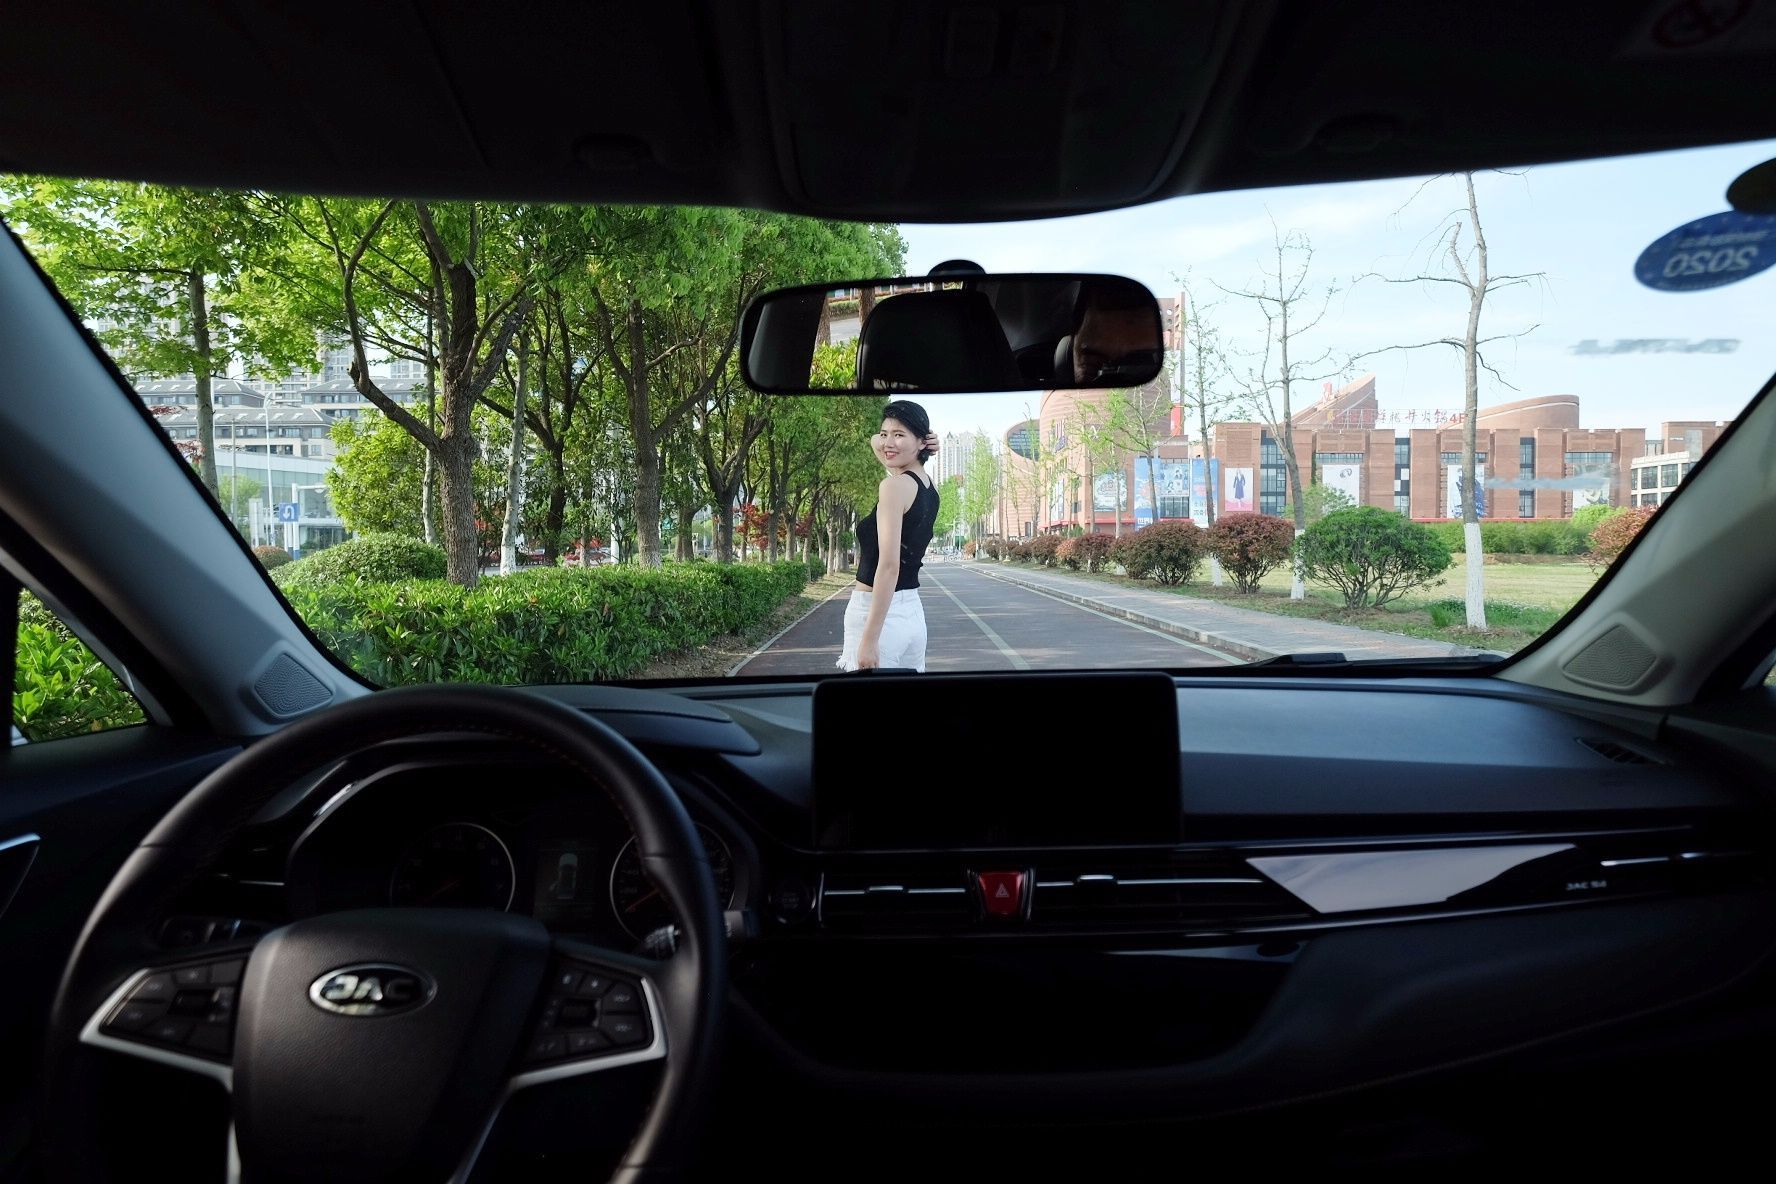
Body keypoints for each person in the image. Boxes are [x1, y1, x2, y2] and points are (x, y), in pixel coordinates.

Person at [838, 400, 941, 672]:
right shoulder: (929, 487)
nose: (887, 443)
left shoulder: (893, 486)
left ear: (921, 441)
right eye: (885, 433)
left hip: (876, 615)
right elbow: (877, 443)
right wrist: (917, 440)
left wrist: (870, 640)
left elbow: (888, 566)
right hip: (912, 614)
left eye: (899, 435)